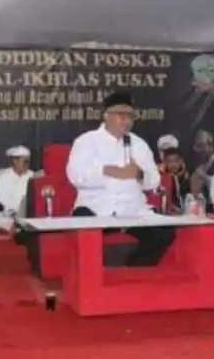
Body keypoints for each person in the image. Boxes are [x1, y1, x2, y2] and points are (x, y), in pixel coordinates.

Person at [66, 91, 175, 267]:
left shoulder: (139, 144)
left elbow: (154, 181)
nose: (127, 121)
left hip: (133, 209)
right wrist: (108, 171)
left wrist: (139, 174)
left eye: (130, 116)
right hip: (95, 207)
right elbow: (75, 175)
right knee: (84, 227)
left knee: (165, 231)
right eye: (121, 115)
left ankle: (132, 269)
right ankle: (93, 275)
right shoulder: (86, 141)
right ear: (106, 116)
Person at [0, 146, 35, 232]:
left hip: (27, 214)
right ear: (15, 161)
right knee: (0, 218)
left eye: (28, 162)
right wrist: (13, 213)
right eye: (24, 161)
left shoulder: (32, 176)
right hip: (8, 214)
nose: (27, 165)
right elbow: (1, 200)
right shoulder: (3, 176)